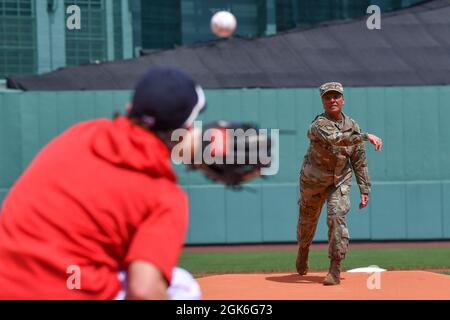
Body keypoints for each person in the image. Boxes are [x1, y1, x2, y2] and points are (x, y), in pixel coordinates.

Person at [0, 67, 207, 299]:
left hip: (7, 285)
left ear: (130, 109)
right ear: (185, 132)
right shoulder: (163, 195)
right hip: (71, 292)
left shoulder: (81, 135)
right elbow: (144, 291)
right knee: (183, 287)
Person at [296, 82, 382, 286]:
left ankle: (334, 269)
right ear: (323, 101)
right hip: (313, 181)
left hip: (340, 180)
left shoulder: (352, 125)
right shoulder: (319, 124)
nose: (332, 100)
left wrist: (365, 188)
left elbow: (359, 160)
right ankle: (303, 249)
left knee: (336, 218)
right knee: (307, 224)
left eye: (336, 96)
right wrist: (365, 136)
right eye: (328, 97)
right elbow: (336, 139)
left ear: (343, 100)